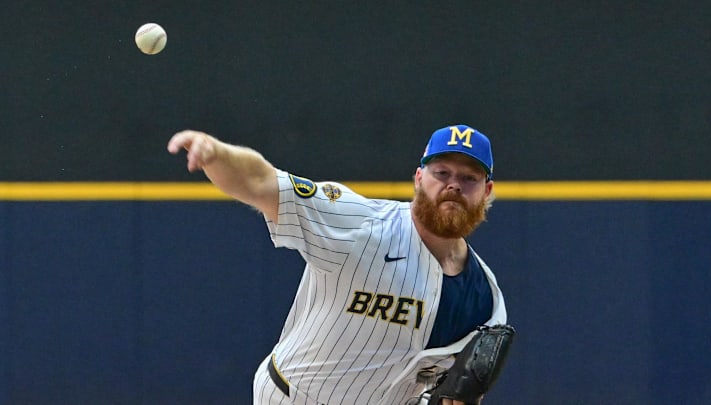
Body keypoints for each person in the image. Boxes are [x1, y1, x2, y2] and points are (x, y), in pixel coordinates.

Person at [167, 124, 509, 405]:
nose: (453, 185)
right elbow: (262, 182)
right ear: (419, 178)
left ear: (487, 190)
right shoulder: (359, 223)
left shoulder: (485, 301)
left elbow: (452, 391)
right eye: (441, 172)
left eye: (469, 178)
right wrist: (217, 153)